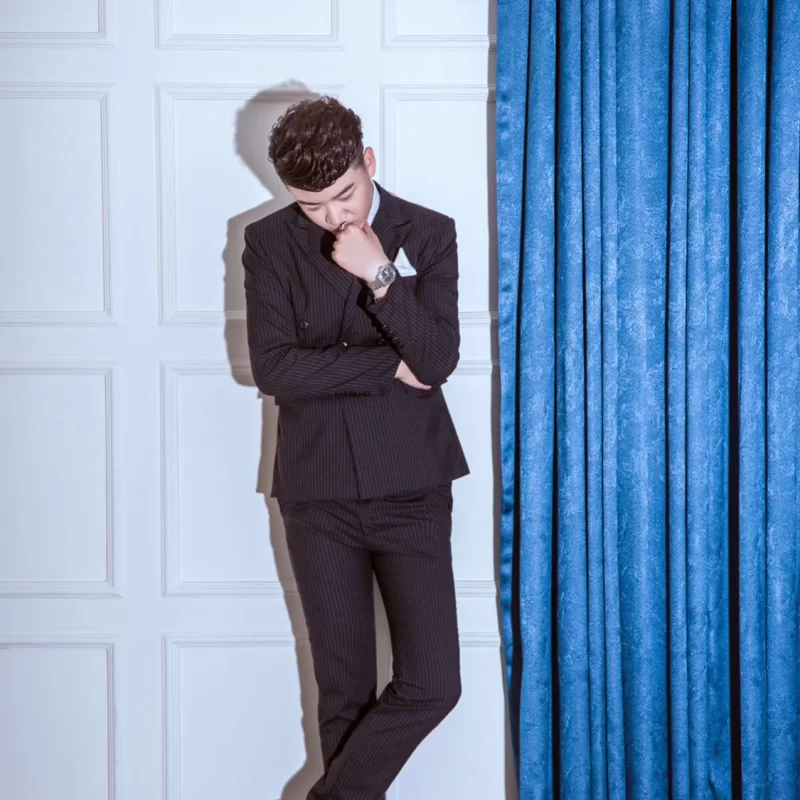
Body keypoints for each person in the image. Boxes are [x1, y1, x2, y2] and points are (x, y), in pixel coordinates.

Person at [241, 95, 470, 799]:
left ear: (368, 161)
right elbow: (275, 370)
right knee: (343, 693)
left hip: (413, 486)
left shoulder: (428, 232)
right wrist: (386, 365)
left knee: (433, 683)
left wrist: (380, 274)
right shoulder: (268, 243)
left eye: (344, 193)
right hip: (318, 493)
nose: (333, 216)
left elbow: (436, 360)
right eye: (311, 205)